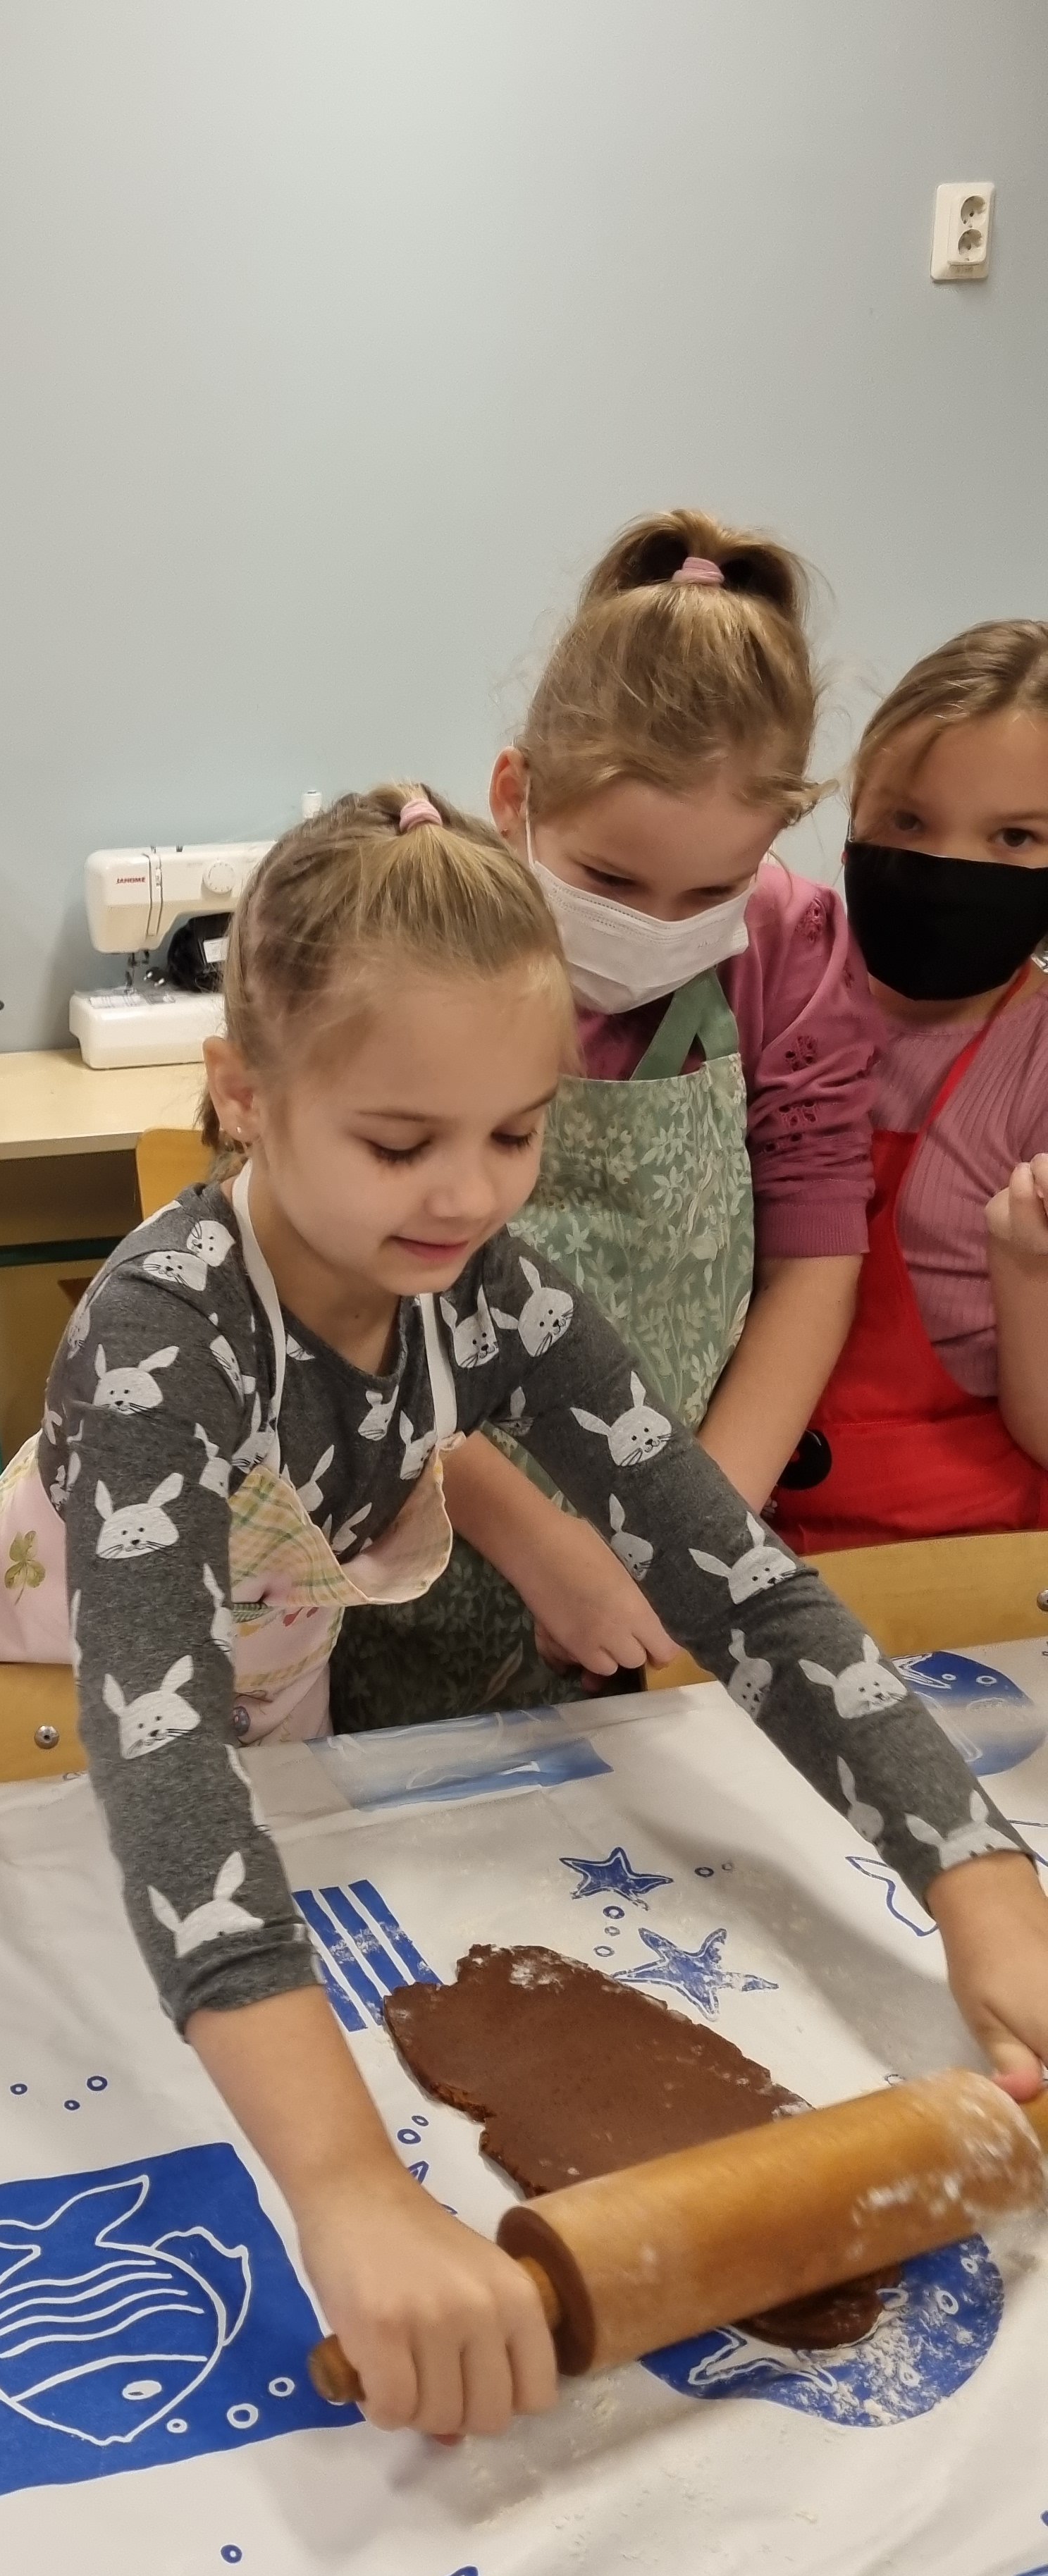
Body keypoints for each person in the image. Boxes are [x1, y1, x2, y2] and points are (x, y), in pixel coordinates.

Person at [0, 788, 1048, 2439]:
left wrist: (981, 1884)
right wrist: (351, 2185)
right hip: (12, 1738)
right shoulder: (161, 1339)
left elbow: (749, 1593)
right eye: (400, 1142)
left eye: (516, 1133)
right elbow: (160, 1765)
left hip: (251, 1728)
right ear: (244, 1092)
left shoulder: (497, 1301)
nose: (471, 1195)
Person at [330, 511, 880, 1733]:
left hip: (672, 1557)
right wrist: (536, 1537)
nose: (659, 927)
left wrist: (687, 1533)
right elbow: (335, 1306)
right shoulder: (431, 937)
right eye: (613, 883)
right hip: (403, 1517)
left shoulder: (789, 953)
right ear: (515, 795)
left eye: (713, 890)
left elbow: (813, 1268)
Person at [773, 620, 1048, 1548]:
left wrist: (1029, 1267)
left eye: (1015, 837)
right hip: (748, 1531)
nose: (950, 866)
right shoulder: (772, 996)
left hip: (970, 1558)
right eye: (909, 821)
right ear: (854, 814)